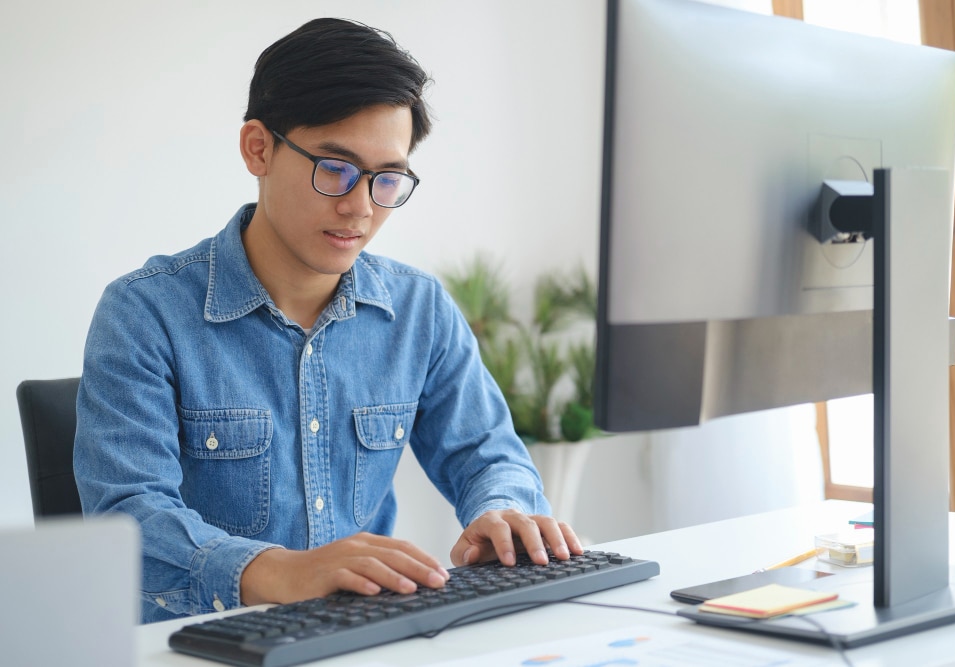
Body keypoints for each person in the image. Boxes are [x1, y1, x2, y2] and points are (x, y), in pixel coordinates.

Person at [73, 17, 582, 624]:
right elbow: (129, 516)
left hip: (363, 635)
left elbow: (488, 454)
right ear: (258, 148)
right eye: (335, 169)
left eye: (387, 179)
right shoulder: (144, 314)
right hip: (199, 641)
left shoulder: (418, 310)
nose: (360, 207)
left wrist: (502, 511)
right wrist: (278, 571)